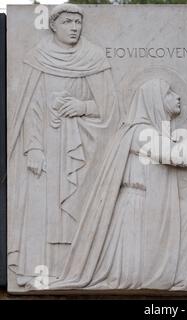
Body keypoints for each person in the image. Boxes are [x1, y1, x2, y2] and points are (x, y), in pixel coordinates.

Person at [48, 78, 187, 290]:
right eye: (169, 93)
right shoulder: (141, 132)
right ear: (153, 101)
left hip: (152, 205)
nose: (177, 97)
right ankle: (163, 279)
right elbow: (182, 157)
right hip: (137, 210)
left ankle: (178, 282)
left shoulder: (154, 134)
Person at [8, 4, 119, 286]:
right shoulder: (37, 58)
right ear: (53, 25)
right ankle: (36, 272)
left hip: (80, 150)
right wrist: (32, 147)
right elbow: (30, 108)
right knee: (41, 210)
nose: (74, 27)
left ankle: (76, 271)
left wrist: (81, 106)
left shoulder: (93, 57)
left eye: (78, 22)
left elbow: (110, 110)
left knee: (75, 211)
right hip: (46, 146)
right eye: (68, 22)